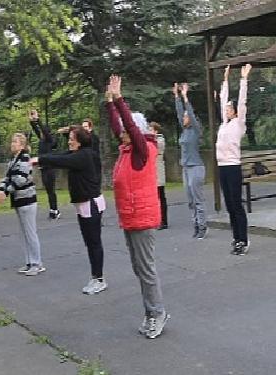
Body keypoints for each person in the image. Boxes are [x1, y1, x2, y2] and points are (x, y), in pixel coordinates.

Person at [105, 74, 169, 339]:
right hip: (130, 217)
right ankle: (151, 312)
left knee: (146, 269)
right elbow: (117, 127)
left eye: (126, 131)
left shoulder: (144, 150)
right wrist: (109, 101)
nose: (121, 133)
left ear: (137, 132)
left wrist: (120, 99)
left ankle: (158, 313)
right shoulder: (127, 151)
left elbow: (129, 126)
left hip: (142, 217)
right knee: (138, 269)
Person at [33, 126, 106, 295]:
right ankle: (95, 276)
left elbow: (61, 161)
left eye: (72, 138)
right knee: (90, 243)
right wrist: (38, 159)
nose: (69, 141)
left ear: (80, 141)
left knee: (94, 243)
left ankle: (99, 279)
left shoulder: (85, 156)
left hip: (91, 204)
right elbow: (59, 156)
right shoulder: (77, 154)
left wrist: (41, 160)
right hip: (83, 204)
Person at [0, 133, 44, 276]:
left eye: (15, 142)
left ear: (22, 145)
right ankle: (29, 262)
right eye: (12, 141)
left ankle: (37, 263)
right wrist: (1, 189)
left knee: (30, 233)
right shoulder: (13, 160)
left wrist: (6, 192)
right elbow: (8, 177)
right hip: (19, 201)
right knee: (24, 233)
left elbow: (20, 179)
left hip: (27, 200)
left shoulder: (25, 158)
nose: (12, 144)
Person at [217, 64, 252, 255]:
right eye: (227, 108)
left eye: (231, 108)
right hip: (222, 166)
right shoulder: (224, 125)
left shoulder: (239, 124)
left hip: (233, 166)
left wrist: (243, 80)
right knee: (229, 204)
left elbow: (242, 102)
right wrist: (225, 80)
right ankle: (236, 238)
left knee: (237, 204)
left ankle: (243, 240)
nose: (228, 109)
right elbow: (223, 100)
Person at [173, 82, 208, 239]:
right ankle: (195, 224)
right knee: (190, 200)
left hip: (196, 167)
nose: (184, 117)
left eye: (186, 116)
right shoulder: (185, 131)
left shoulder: (195, 130)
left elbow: (190, 114)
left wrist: (185, 96)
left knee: (198, 199)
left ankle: (202, 226)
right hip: (186, 168)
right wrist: (176, 96)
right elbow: (180, 113)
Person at [29, 110, 60, 220]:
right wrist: (32, 121)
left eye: (43, 132)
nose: (41, 134)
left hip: (50, 168)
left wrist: (38, 120)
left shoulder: (50, 140)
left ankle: (55, 210)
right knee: (48, 190)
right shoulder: (42, 140)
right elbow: (36, 130)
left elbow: (43, 131)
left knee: (51, 190)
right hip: (43, 168)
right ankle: (53, 209)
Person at [149, 121, 168, 230]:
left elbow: (157, 149)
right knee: (154, 198)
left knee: (161, 196)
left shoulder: (159, 140)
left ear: (155, 131)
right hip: (151, 172)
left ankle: (164, 220)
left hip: (158, 171)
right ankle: (156, 218)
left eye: (151, 129)